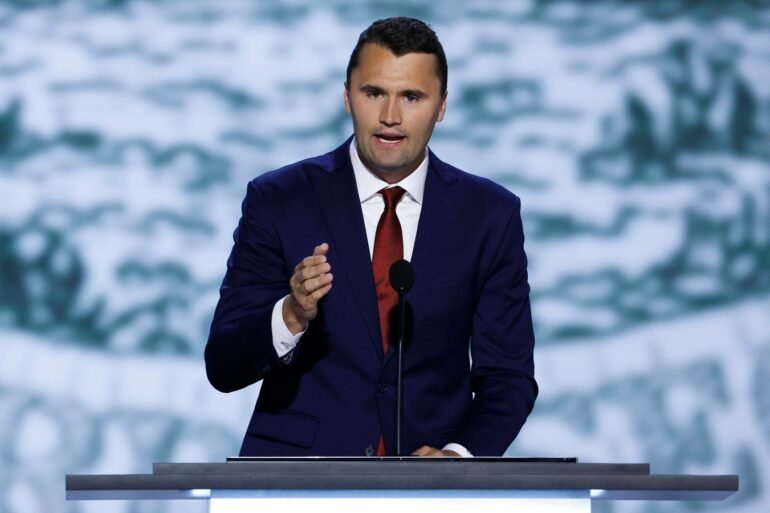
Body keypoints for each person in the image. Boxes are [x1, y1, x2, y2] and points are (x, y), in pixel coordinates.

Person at [205, 16, 537, 457]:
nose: (390, 117)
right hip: (298, 476)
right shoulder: (279, 200)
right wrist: (291, 314)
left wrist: (457, 458)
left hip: (430, 485)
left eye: (411, 97)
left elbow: (509, 378)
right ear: (347, 96)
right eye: (374, 93)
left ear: (441, 106)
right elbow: (223, 365)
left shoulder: (489, 215)